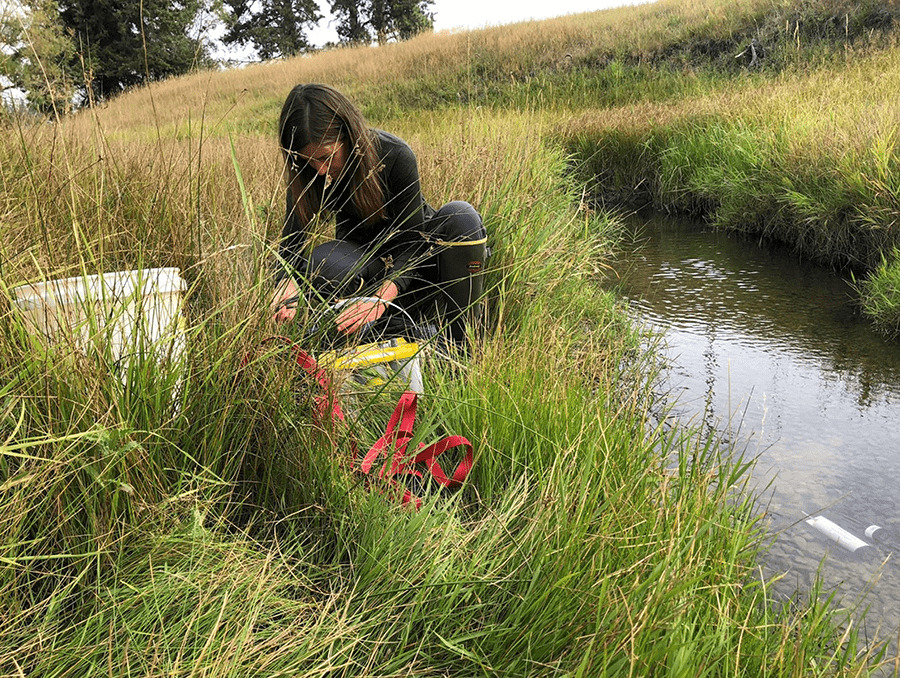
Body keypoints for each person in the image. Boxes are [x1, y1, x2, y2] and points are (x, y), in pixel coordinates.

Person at [272, 83, 487, 341]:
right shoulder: (307, 173)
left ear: (350, 135)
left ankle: (461, 342)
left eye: (327, 157)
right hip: (368, 267)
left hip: (421, 262)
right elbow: (291, 244)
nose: (320, 170)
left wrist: (380, 300)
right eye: (309, 160)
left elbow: (412, 243)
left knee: (461, 217)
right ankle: (393, 332)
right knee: (321, 263)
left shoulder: (395, 154)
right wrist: (285, 282)